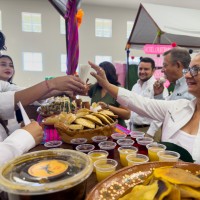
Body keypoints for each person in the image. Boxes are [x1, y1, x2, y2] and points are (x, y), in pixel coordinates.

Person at [88, 55, 200, 163]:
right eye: (188, 70)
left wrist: (150, 133)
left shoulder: (162, 91)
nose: (187, 76)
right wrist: (107, 85)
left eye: (195, 70)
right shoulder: (179, 106)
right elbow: (140, 103)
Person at [146, 47, 194, 139]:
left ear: (177, 65)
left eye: (165, 65)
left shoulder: (190, 88)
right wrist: (158, 95)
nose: (162, 70)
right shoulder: (178, 85)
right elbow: (166, 112)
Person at [129, 57, 168, 133]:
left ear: (153, 70)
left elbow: (161, 112)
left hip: (150, 130)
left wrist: (151, 133)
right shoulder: (135, 86)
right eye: (140, 69)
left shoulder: (158, 87)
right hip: (134, 129)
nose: (142, 71)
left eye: (146, 69)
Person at [87, 61, 130, 127]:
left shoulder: (118, 90)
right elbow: (82, 91)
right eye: (97, 73)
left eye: (100, 74)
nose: (97, 76)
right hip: (99, 129)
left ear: (108, 75)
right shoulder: (96, 87)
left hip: (117, 130)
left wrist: (108, 107)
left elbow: (127, 115)